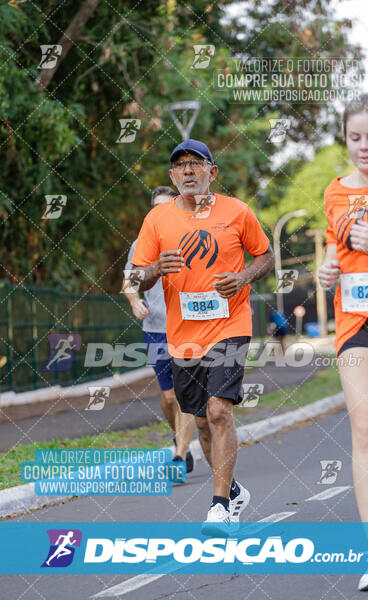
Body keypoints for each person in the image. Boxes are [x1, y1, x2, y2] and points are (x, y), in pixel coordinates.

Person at [130, 139, 274, 532]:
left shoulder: (237, 211)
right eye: (181, 166)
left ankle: (218, 506)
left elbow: (265, 254)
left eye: (197, 163)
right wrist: (155, 269)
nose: (188, 171)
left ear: (213, 172)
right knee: (202, 421)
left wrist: (243, 277)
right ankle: (233, 492)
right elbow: (135, 276)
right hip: (183, 334)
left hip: (230, 324)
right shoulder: (157, 221)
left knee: (218, 410)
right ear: (173, 176)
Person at [318, 93, 368, 591]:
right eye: (355, 138)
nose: (364, 147)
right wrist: (327, 268)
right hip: (360, 323)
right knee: (367, 429)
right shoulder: (334, 191)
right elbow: (336, 243)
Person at [123, 186, 195, 473]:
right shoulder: (142, 242)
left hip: (188, 328)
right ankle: (179, 435)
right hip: (155, 328)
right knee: (168, 397)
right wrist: (134, 301)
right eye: (156, 208)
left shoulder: (192, 237)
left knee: (185, 394)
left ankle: (180, 454)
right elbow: (130, 280)